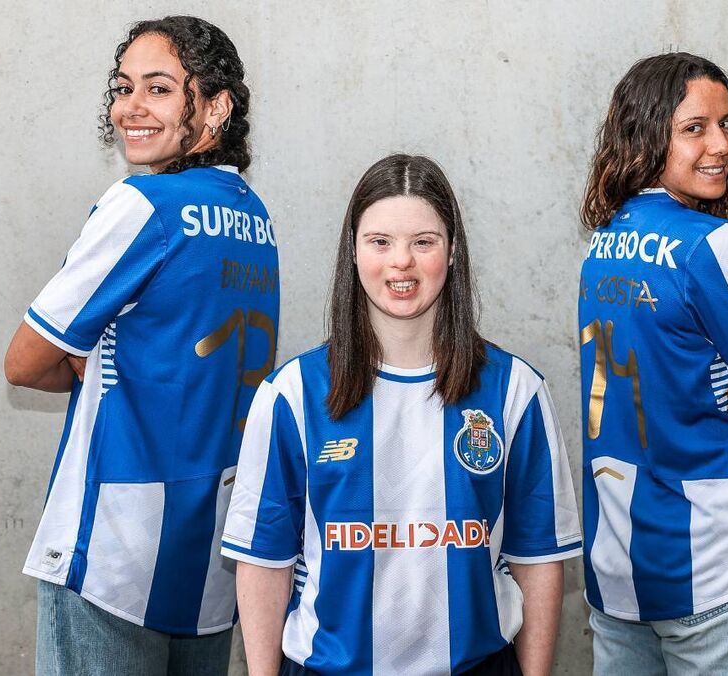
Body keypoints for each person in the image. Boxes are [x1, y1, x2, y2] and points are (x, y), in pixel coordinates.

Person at [221, 154, 582, 676]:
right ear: (353, 251)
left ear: (452, 251)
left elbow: (538, 560)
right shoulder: (292, 394)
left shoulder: (515, 391)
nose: (401, 263)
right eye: (380, 242)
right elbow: (264, 563)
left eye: (423, 242)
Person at [3, 16, 278, 675]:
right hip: (208, 562)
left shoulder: (142, 204)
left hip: (114, 552)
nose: (131, 107)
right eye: (123, 87)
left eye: (159, 88)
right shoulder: (254, 217)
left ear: (216, 107)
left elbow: (23, 362)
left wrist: (89, 361)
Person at [576, 52, 728, 675]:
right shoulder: (712, 244)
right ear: (647, 134)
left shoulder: (603, 244)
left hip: (620, 566)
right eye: (694, 128)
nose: (722, 145)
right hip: (716, 569)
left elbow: (661, 376)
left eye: (727, 124)